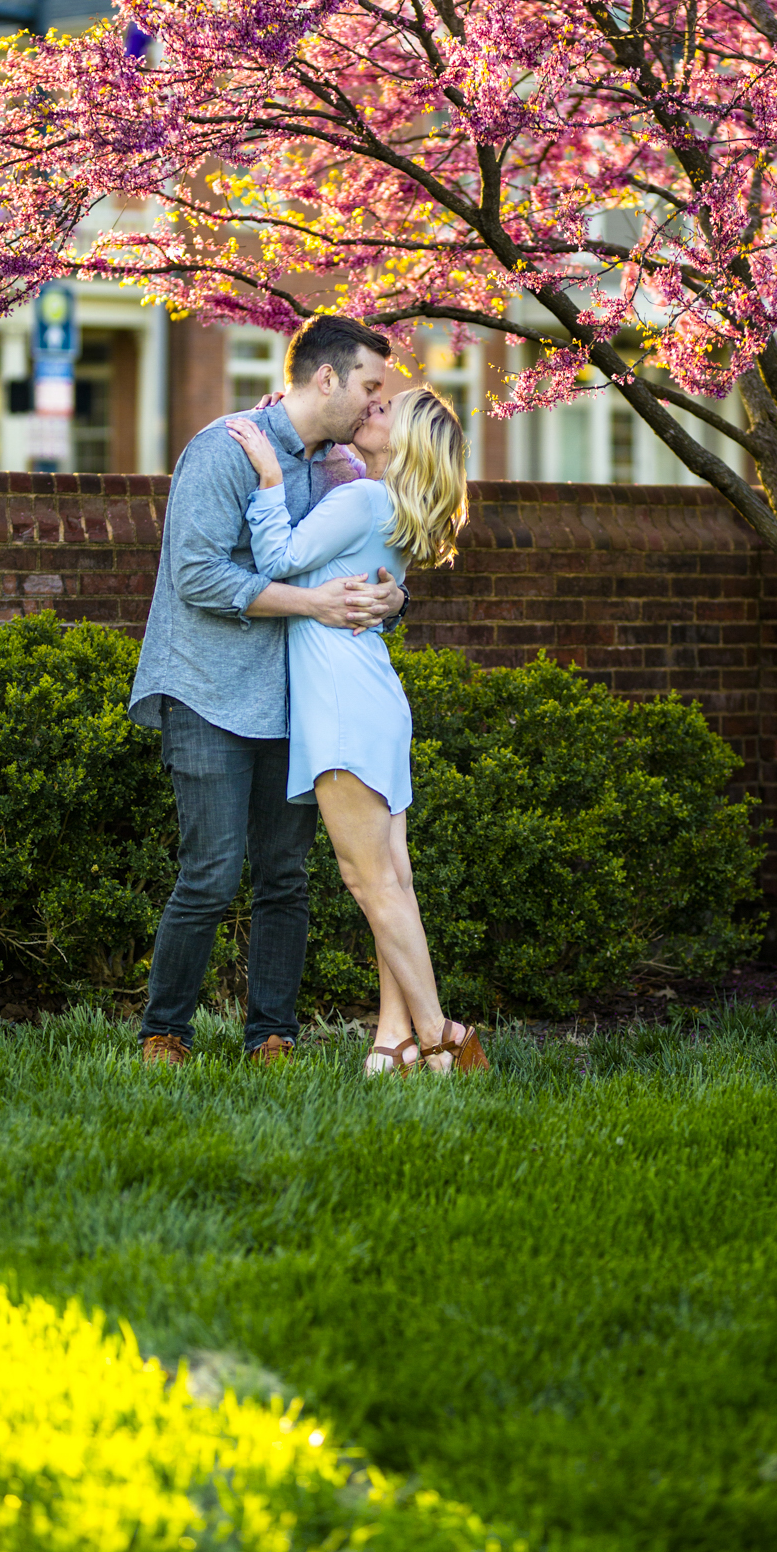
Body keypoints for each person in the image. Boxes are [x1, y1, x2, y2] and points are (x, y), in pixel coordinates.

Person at [129, 315, 407, 1067]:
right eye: (370, 387)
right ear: (326, 378)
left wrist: (391, 601)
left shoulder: (343, 469)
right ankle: (165, 1032)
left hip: (296, 701)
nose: (376, 404)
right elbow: (197, 575)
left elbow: (367, 559)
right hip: (207, 689)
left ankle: (271, 1036)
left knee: (285, 877)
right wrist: (313, 605)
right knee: (212, 872)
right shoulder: (224, 449)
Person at [225, 385, 488, 1076]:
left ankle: (440, 1036)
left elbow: (277, 560)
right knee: (389, 883)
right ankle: (392, 1039)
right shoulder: (394, 509)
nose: (370, 411)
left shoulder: (364, 500)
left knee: (368, 882)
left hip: (341, 702)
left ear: (407, 443)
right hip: (370, 697)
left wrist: (271, 477)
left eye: (383, 412)